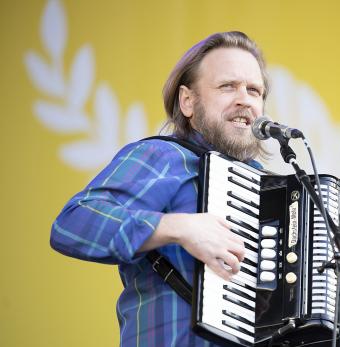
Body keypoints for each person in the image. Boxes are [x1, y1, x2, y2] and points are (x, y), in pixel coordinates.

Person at [51, 31, 269, 346]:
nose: (244, 99)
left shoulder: (272, 191)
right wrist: (177, 227)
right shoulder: (165, 157)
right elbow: (73, 223)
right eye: (227, 86)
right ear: (188, 101)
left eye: (254, 90)